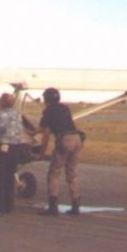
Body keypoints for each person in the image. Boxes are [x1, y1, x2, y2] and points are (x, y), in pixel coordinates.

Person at [37, 88, 83, 216]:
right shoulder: (65, 108)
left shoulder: (48, 111)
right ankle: (75, 205)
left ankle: (53, 206)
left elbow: (45, 132)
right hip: (77, 138)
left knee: (54, 173)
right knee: (72, 173)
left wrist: (41, 152)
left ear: (47, 99)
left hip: (65, 140)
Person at [0, 93, 22, 215]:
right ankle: (8, 207)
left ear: (1, 102)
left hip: (3, 148)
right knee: (10, 178)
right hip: (15, 148)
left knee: (0, 178)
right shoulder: (18, 115)